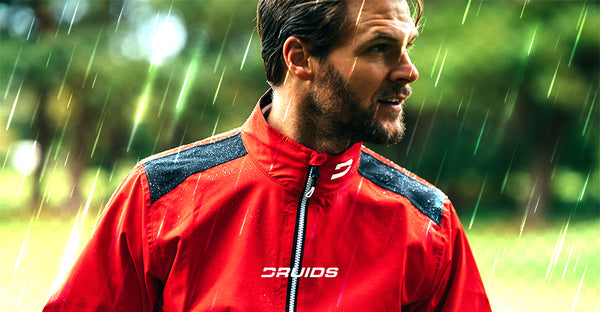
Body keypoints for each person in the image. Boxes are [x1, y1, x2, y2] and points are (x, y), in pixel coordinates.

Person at [44, 0, 492, 311]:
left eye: (407, 47)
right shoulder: (160, 198)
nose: (408, 71)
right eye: (380, 48)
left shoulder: (428, 224)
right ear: (300, 58)